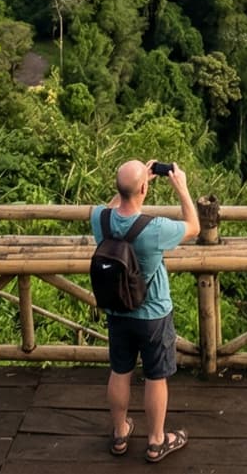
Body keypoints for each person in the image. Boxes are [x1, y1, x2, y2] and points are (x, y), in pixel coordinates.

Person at [93, 159, 199, 463]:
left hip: (117, 311)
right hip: (153, 313)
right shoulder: (154, 228)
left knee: (120, 370)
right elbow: (194, 226)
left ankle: (120, 433)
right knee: (156, 376)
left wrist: (131, 187)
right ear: (144, 188)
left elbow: (112, 207)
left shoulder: (99, 219)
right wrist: (182, 188)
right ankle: (155, 441)